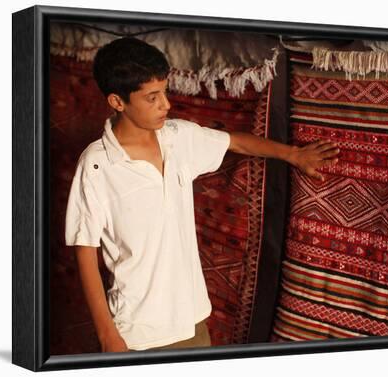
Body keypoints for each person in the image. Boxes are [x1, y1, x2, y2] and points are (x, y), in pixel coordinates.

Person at [64, 37, 340, 353]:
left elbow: (235, 141)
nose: (165, 105)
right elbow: (85, 250)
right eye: (152, 97)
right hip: (137, 334)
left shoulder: (178, 138)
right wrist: (108, 336)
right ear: (117, 102)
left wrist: (294, 155)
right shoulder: (97, 165)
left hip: (193, 322)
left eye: (164, 92)